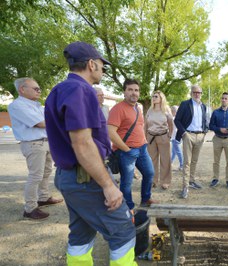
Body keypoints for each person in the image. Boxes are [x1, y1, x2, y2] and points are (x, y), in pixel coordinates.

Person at [45, 41, 137, 265]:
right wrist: (108, 185)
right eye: (101, 65)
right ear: (91, 64)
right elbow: (83, 144)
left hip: (71, 176)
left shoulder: (59, 90)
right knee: (123, 231)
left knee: (81, 232)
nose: (103, 70)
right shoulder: (81, 90)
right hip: (85, 178)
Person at [8, 78, 63, 220]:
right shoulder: (17, 105)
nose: (39, 91)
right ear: (22, 89)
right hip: (33, 143)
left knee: (46, 172)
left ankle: (43, 197)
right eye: (35, 88)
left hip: (44, 142)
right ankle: (30, 207)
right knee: (35, 175)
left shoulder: (36, 105)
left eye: (39, 88)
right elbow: (40, 123)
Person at [108, 79, 156, 210]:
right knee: (127, 182)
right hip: (127, 151)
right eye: (130, 90)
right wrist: (126, 149)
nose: (133, 93)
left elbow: (139, 127)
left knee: (149, 173)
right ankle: (128, 207)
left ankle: (145, 199)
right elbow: (110, 132)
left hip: (142, 149)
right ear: (124, 92)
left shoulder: (137, 108)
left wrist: (144, 142)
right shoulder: (117, 109)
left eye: (136, 90)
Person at [174, 85, 208, 199]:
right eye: (195, 92)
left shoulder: (203, 106)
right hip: (188, 135)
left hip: (200, 136)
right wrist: (184, 133)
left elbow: (205, 120)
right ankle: (185, 186)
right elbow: (177, 120)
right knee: (187, 162)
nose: (197, 94)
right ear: (191, 93)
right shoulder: (185, 104)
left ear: (201, 93)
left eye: (199, 92)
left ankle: (192, 181)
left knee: (194, 160)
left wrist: (204, 132)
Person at [209, 92, 228, 189]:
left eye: (226, 98)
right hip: (217, 138)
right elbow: (210, 125)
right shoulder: (215, 112)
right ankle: (215, 178)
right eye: (222, 98)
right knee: (216, 161)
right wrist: (219, 129)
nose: (223, 100)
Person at [145, 90, 173, 189]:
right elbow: (146, 124)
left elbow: (171, 124)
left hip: (163, 137)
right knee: (152, 160)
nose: (154, 98)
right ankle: (153, 180)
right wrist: (145, 137)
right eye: (153, 96)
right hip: (150, 137)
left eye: (156, 96)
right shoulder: (150, 110)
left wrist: (169, 136)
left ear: (161, 98)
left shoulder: (166, 110)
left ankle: (165, 181)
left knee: (165, 160)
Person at [170, 105, 183, 171]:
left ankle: (182, 165)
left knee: (178, 152)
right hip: (176, 137)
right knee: (174, 151)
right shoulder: (178, 118)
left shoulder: (174, 118)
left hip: (175, 137)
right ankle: (170, 162)